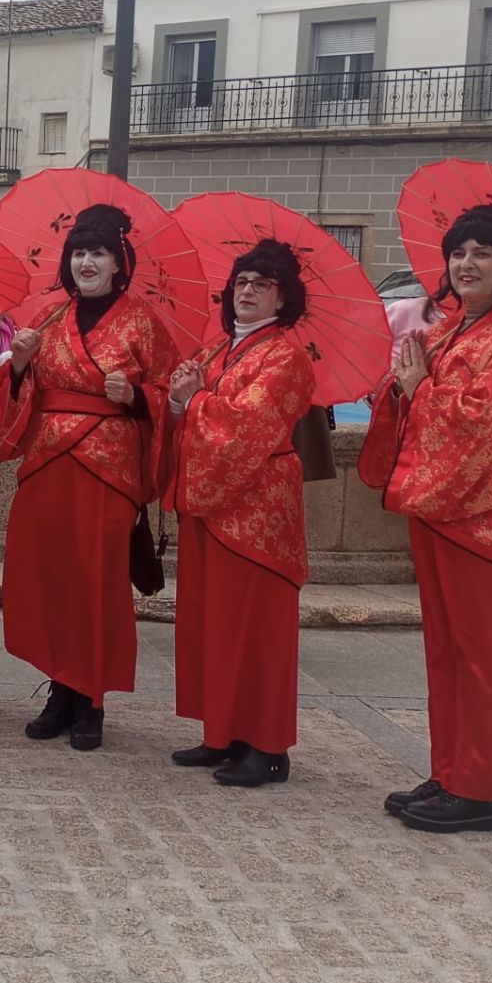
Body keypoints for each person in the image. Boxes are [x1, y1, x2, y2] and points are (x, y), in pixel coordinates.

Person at [360, 202, 492, 833]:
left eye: (483, 252)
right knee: (447, 649)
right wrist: (398, 387)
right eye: (458, 252)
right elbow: (415, 402)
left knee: (484, 654)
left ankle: (475, 788)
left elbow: (486, 420)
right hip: (447, 507)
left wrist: (420, 389)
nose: (467, 263)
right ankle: (450, 769)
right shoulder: (450, 329)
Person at [0, 203, 177, 750]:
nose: (86, 262)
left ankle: (90, 695)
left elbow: (172, 395)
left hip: (107, 468)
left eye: (98, 254)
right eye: (79, 253)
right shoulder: (47, 318)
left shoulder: (143, 322)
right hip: (47, 464)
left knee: (96, 580)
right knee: (50, 576)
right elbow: (18, 396)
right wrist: (18, 366)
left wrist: (138, 396)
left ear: (120, 264)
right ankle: (59, 689)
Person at [163, 240, 316, 786]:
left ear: (284, 296)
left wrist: (196, 401)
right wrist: (180, 401)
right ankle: (222, 730)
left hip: (258, 507)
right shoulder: (217, 351)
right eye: (241, 283)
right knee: (214, 621)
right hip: (212, 501)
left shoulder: (287, 356)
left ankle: (267, 745)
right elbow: (196, 411)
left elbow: (250, 427)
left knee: (257, 626)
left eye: (261, 283)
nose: (247, 292)